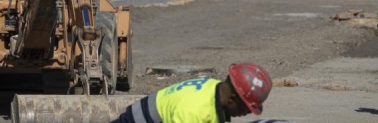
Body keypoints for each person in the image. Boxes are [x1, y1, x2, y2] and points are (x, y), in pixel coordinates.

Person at [111, 62, 272, 123]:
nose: (247, 114)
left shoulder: (213, 87)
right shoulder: (193, 112)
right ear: (232, 100)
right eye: (246, 108)